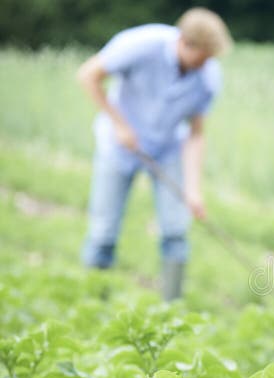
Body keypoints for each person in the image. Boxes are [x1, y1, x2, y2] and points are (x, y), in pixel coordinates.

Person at [77, 7, 232, 300]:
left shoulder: (208, 77)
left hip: (167, 149)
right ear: (185, 43)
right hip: (118, 146)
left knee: (175, 231)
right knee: (103, 231)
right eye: (203, 56)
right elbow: (87, 75)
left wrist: (193, 190)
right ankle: (92, 304)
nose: (207, 63)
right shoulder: (140, 45)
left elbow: (196, 135)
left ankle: (171, 310)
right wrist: (119, 124)